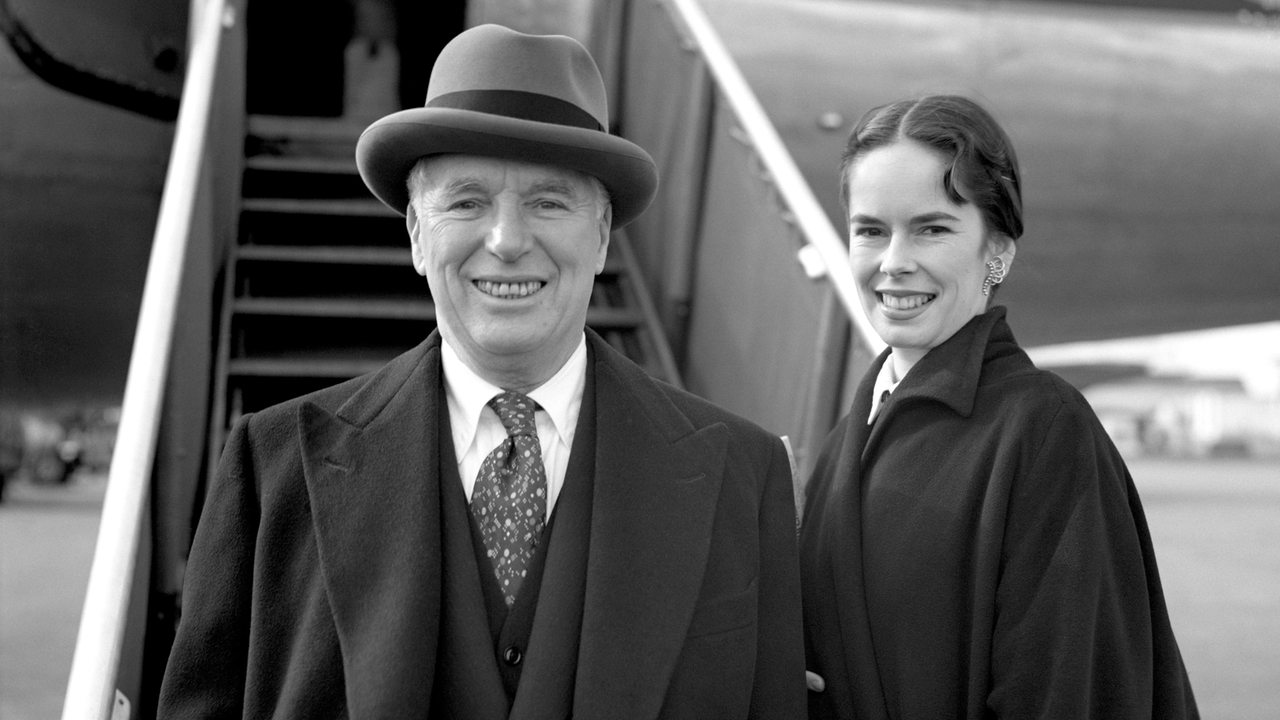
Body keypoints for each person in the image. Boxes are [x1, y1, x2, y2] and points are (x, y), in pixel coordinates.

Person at [157, 23, 805, 718]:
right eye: (466, 202)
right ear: (414, 234)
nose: (506, 241)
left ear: (601, 231)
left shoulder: (743, 476)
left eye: (548, 202)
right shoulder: (271, 469)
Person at [800, 95, 1199, 719]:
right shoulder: (847, 437)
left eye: (932, 228)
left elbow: (1068, 692)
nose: (895, 262)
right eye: (871, 230)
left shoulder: (1044, 433)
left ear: (998, 252)